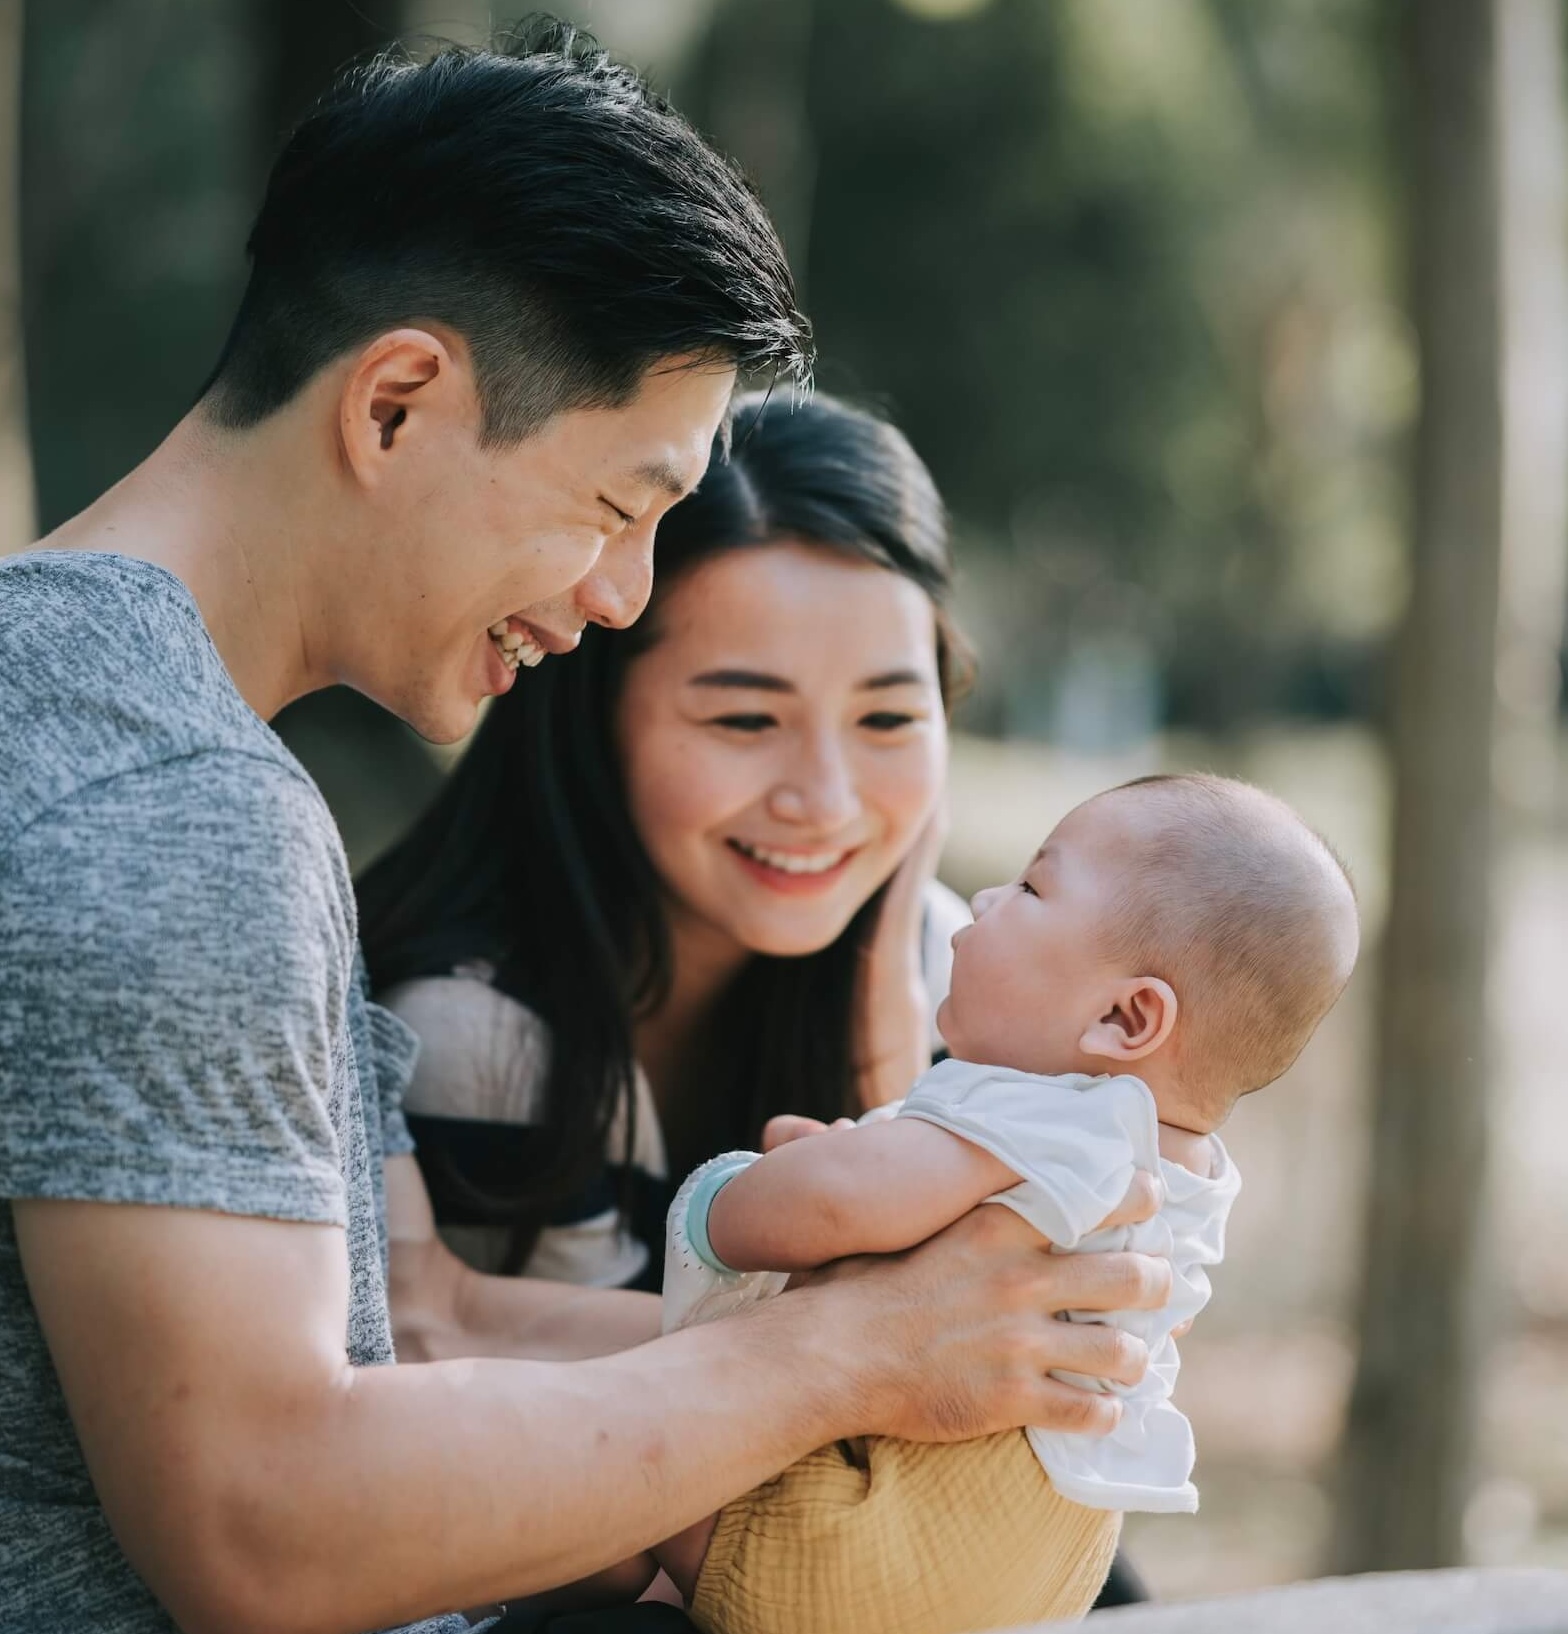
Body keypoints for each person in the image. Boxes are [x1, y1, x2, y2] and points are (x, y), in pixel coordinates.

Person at [0, 25, 1170, 1634]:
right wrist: (849, 1348)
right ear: (397, 402)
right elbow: (260, 1523)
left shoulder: (67, 707)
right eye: (617, 507)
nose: (618, 596)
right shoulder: (178, 814)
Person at [643, 774, 1360, 1634]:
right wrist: (866, 1154)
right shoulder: (1179, 1163)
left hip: (858, 1547)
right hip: (1043, 1564)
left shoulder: (1049, 1109)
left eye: (1030, 887)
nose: (984, 896)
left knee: (630, 1469)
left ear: (1127, 1019)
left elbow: (831, 1209)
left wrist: (725, 1198)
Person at [356, 387, 973, 1296]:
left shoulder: (943, 963)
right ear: (593, 714)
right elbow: (640, 1420)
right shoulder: (478, 1041)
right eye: (745, 719)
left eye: (887, 717)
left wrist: (891, 1068)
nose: (826, 801)